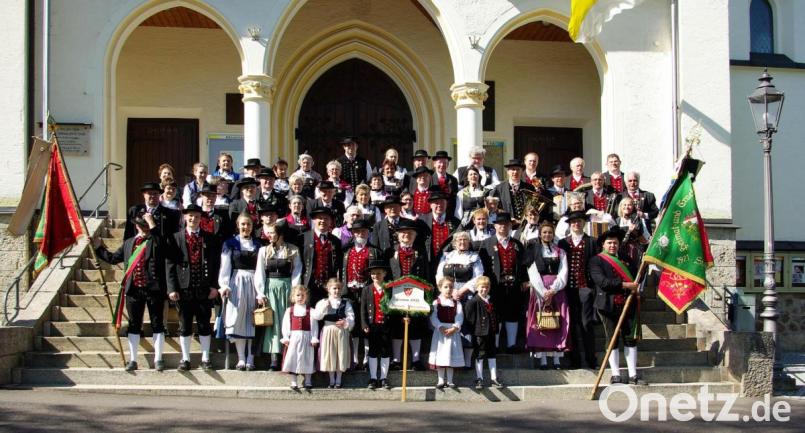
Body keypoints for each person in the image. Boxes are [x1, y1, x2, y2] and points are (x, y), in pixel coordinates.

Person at [95, 214, 166, 371]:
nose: (144, 228)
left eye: (147, 225)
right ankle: (133, 360)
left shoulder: (155, 240)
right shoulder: (128, 243)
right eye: (142, 225)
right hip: (134, 289)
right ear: (137, 226)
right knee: (134, 325)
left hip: (153, 289)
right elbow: (113, 258)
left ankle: (158, 359)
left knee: (157, 323)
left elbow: (161, 244)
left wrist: (152, 224)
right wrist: (98, 247)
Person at [165, 204, 221, 371]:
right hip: (184, 289)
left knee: (204, 324)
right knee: (185, 324)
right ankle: (186, 358)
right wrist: (172, 288)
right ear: (184, 217)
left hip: (204, 289)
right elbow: (170, 265)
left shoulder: (210, 238)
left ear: (201, 219)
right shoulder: (175, 238)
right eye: (190, 216)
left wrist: (214, 286)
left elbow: (216, 265)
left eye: (196, 216)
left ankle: (205, 358)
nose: (193, 219)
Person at [590, 227, 646, 386]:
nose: (612, 245)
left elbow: (637, 277)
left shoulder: (627, 259)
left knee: (630, 339)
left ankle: (633, 374)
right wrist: (624, 285)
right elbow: (602, 282)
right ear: (603, 245)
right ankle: (615, 375)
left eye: (615, 243)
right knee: (612, 339)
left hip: (628, 304)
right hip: (608, 305)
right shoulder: (597, 260)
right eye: (609, 243)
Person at [255, 223, 302, 371]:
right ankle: (274, 356)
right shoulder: (264, 251)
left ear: (280, 234)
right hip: (271, 288)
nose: (269, 235)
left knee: (287, 320)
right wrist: (261, 292)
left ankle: (288, 354)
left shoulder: (292, 250)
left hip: (287, 287)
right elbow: (260, 272)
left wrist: (295, 291)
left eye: (273, 233)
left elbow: (297, 271)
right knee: (274, 322)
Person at [478, 212, 527, 353]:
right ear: (495, 226)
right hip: (494, 286)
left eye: (506, 224)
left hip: (514, 285)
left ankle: (511, 345)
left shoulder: (517, 244)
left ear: (510, 226)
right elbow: (483, 266)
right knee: (496, 315)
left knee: (513, 313)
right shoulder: (487, 243)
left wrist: (524, 280)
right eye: (500, 224)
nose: (503, 227)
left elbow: (523, 265)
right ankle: (496, 345)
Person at [218, 212, 261, 371]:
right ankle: (241, 358)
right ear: (238, 225)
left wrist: (260, 290)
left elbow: (261, 268)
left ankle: (251, 358)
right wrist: (224, 285)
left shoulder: (258, 245)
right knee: (237, 320)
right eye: (243, 224)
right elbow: (225, 266)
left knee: (253, 320)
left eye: (248, 224)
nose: (245, 227)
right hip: (236, 282)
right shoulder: (230, 243)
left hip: (254, 282)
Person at [524, 222, 569, 370]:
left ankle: (556, 360)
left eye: (550, 232)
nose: (547, 235)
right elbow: (532, 272)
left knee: (557, 322)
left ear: (553, 234)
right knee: (541, 322)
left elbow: (563, 272)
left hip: (557, 290)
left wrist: (553, 289)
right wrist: (543, 292)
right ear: (540, 234)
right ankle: (543, 360)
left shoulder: (560, 251)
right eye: (544, 232)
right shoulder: (533, 250)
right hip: (539, 289)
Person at [558, 211, 599, 369]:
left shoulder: (592, 242)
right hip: (567, 290)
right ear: (569, 224)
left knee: (586, 323)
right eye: (573, 222)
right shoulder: (563, 243)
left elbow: (595, 266)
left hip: (585, 289)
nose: (576, 224)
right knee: (571, 324)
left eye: (579, 221)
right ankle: (574, 360)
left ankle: (591, 359)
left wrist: (592, 288)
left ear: (583, 223)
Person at [436, 231, 484, 366]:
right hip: (447, 294)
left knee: (466, 325)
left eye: (465, 240)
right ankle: (449, 359)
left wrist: (462, 290)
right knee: (449, 323)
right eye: (459, 240)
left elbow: (478, 277)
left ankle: (467, 361)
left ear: (469, 242)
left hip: (467, 294)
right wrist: (448, 290)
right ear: (454, 243)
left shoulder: (474, 257)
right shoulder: (447, 256)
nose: (462, 242)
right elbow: (439, 275)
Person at [388, 218, 429, 370]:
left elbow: (426, 274)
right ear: (398, 235)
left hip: (416, 295)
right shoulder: (391, 252)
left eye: (410, 233)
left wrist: (426, 295)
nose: (406, 235)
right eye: (403, 233)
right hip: (396, 296)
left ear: (415, 236)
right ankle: (397, 360)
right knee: (397, 327)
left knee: (415, 327)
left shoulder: (421, 253)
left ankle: (416, 359)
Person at [340, 219, 382, 370]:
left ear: (368, 233)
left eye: (363, 231)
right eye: (357, 231)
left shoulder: (374, 251)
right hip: (349, 293)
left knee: (366, 325)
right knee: (353, 326)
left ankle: (366, 358)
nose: (360, 234)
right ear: (352, 233)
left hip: (367, 293)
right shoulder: (346, 250)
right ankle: (354, 359)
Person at [312, 279, 355, 388]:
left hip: (341, 332)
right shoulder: (323, 302)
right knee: (330, 355)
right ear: (328, 289)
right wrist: (324, 308)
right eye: (334, 288)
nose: (336, 291)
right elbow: (316, 316)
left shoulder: (346, 303)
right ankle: (332, 380)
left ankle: (339, 380)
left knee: (341, 354)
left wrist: (346, 322)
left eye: (339, 288)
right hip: (328, 331)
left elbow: (351, 318)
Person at [464, 276, 504, 389]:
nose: (484, 289)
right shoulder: (473, 302)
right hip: (479, 333)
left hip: (490, 332)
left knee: (492, 354)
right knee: (480, 354)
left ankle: (494, 378)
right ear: (477, 287)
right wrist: (474, 332)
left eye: (487, 287)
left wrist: (496, 330)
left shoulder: (491, 300)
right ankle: (479, 378)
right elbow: (469, 318)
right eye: (482, 287)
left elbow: (496, 316)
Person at [361, 260, 393, 389]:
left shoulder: (390, 288)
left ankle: (383, 378)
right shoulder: (366, 289)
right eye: (373, 273)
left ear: (384, 274)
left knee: (385, 351)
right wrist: (364, 323)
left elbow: (394, 306)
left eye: (378, 273)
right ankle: (373, 378)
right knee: (373, 351)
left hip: (386, 324)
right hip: (372, 325)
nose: (375, 276)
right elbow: (362, 308)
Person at [301, 207, 343, 304]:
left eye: (326, 218)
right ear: (314, 220)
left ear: (330, 222)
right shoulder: (303, 238)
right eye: (320, 218)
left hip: (328, 287)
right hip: (309, 285)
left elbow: (339, 265)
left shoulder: (336, 241)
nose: (322, 221)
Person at [428, 277, 465, 389]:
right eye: (445, 287)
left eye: (451, 287)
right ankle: (440, 380)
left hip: (452, 332)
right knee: (441, 356)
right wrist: (440, 326)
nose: (448, 289)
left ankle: (450, 380)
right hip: (441, 332)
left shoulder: (457, 303)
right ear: (440, 288)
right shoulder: (436, 302)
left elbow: (459, 316)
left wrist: (455, 327)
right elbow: (433, 316)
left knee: (450, 356)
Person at [281, 285, 319, 390]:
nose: (300, 297)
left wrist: (314, 337)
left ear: (306, 297)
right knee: (293, 358)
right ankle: (294, 381)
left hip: (307, 338)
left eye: (302, 295)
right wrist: (286, 337)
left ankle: (308, 380)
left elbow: (314, 325)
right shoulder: (290, 310)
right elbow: (285, 324)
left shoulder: (310, 310)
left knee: (307, 358)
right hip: (294, 338)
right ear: (293, 297)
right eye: (298, 295)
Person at [420, 190, 462, 266]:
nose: (439, 205)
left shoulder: (456, 222)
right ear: (430, 205)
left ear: (447, 204)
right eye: (436, 202)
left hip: (449, 263)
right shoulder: (422, 221)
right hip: (428, 263)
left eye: (442, 202)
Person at [493, 159, 536, 226]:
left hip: (526, 225)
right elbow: (496, 208)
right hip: (507, 226)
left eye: (518, 169)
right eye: (513, 169)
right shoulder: (499, 188)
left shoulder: (530, 188)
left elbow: (533, 206)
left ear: (522, 171)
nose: (515, 172)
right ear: (508, 171)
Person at [616, 197, 650, 265]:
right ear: (621, 207)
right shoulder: (616, 221)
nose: (627, 207)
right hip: (619, 252)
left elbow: (645, 240)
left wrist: (634, 231)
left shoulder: (638, 220)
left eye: (629, 205)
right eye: (624, 205)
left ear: (633, 207)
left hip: (634, 252)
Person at [430, 150, 459, 217]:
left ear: (448, 164)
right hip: (433, 215)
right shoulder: (429, 179)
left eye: (445, 162)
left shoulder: (453, 180)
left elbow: (454, 198)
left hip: (449, 214)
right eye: (440, 162)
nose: (442, 165)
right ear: (434, 164)